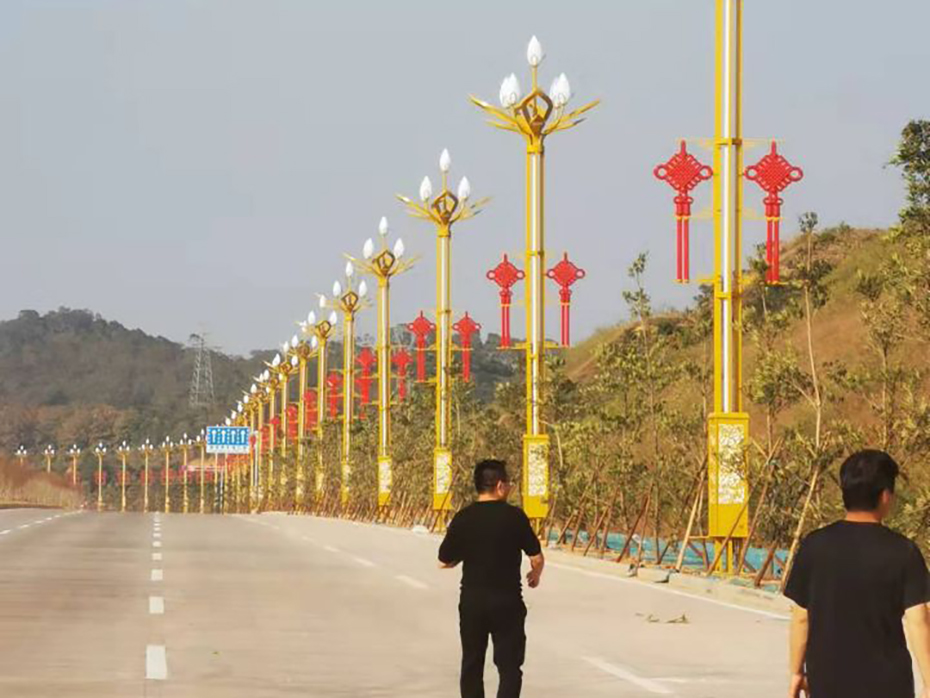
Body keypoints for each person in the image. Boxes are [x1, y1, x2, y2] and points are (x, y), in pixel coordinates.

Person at [784, 449, 930, 698]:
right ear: (885, 495)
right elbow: (919, 621)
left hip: (828, 683)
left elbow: (801, 618)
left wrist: (797, 672)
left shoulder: (815, 545)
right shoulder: (903, 551)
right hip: (888, 685)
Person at [438, 459, 545, 698]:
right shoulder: (515, 517)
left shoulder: (463, 517)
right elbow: (536, 557)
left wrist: (461, 557)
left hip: (472, 603)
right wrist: (535, 575)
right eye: (508, 483)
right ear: (499, 486)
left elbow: (444, 559)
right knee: (509, 667)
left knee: (472, 664)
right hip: (507, 603)